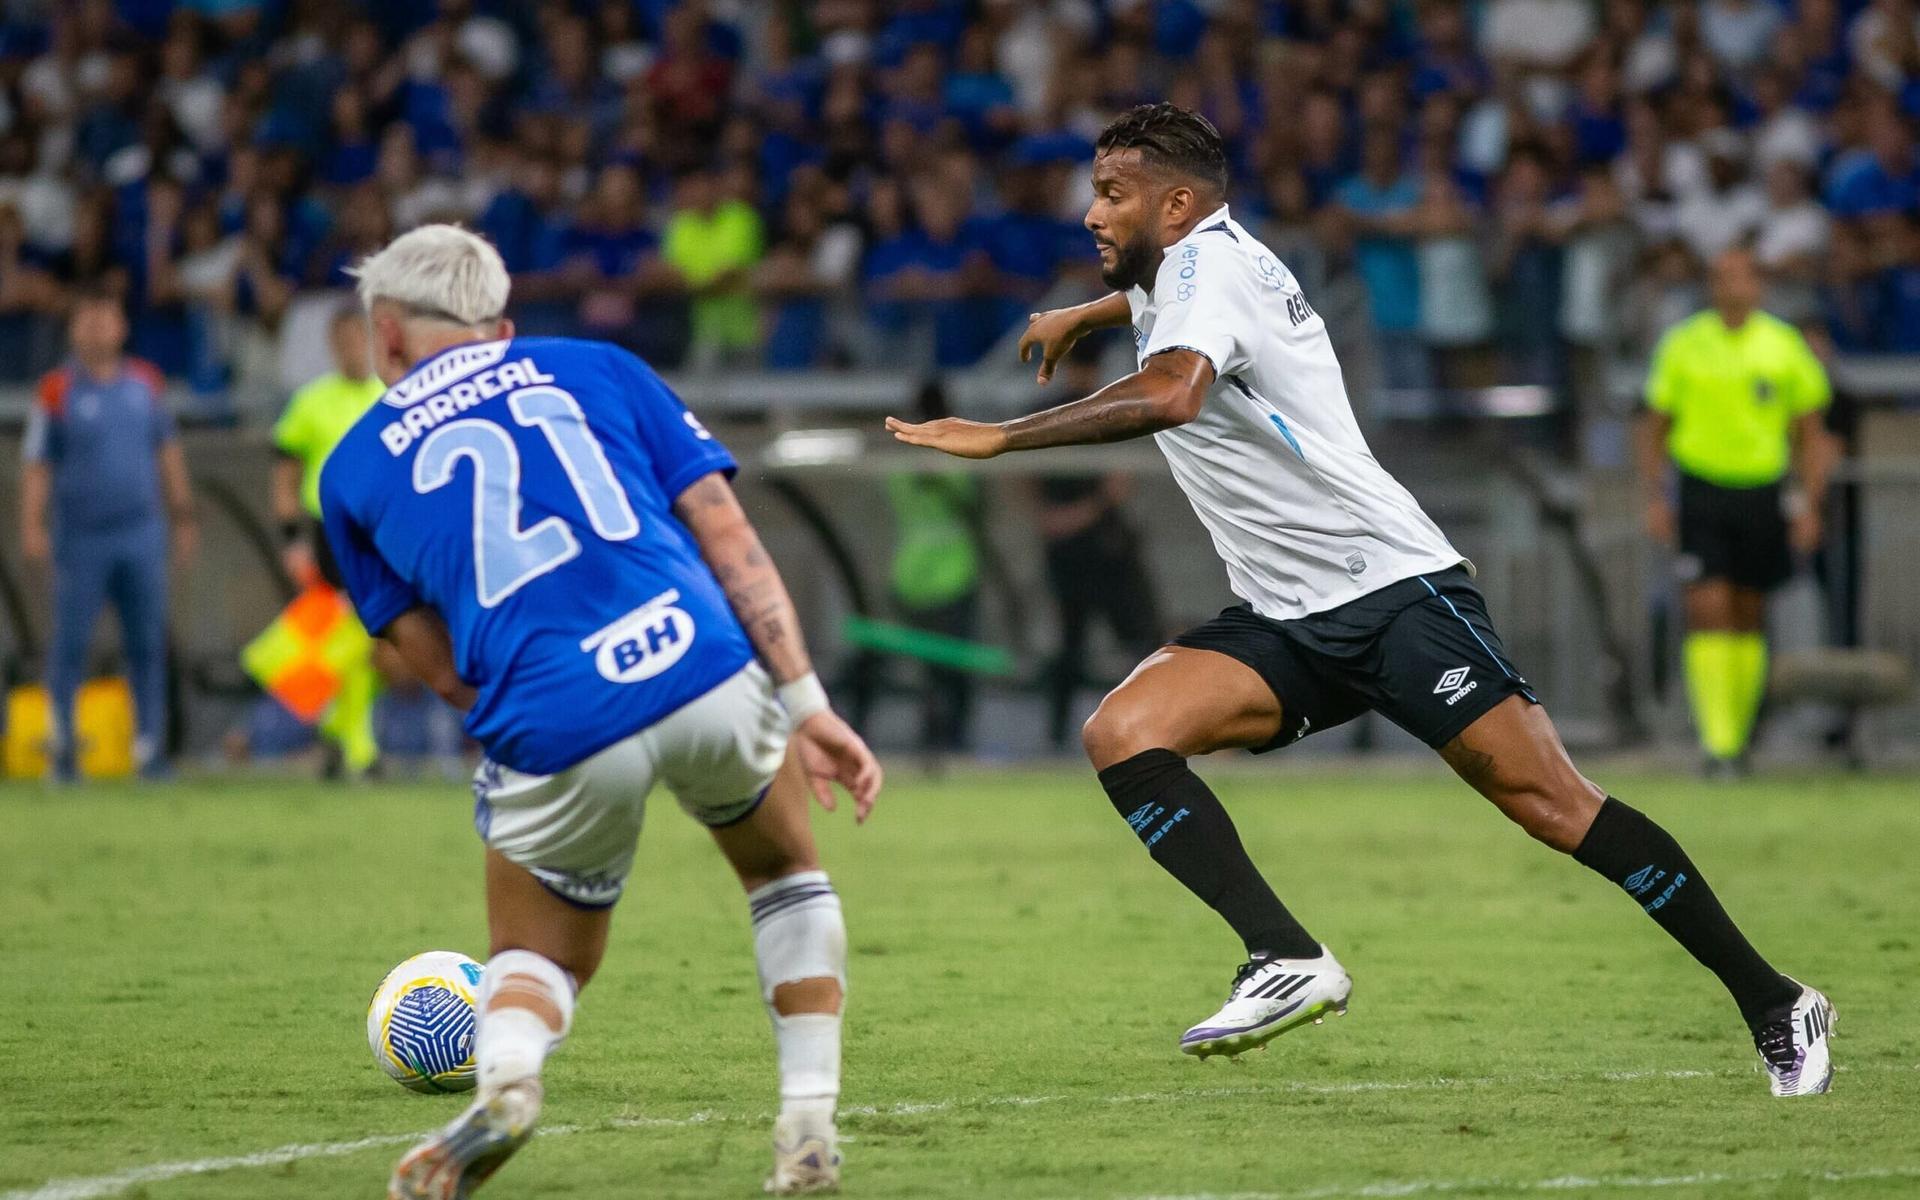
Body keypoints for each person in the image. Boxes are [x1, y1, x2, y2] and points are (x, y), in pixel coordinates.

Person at [887, 103, 1834, 1097]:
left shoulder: (1209, 272)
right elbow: (1164, 313)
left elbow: (1172, 394)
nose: (1091, 213)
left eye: (1112, 193)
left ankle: (1777, 1001)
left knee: (1556, 809)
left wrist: (1003, 435)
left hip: (1392, 592)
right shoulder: (1194, 266)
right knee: (1123, 732)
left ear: (1175, 205)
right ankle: (1283, 956)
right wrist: (1088, 313)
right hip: (1285, 616)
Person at [317, 226, 882, 1198]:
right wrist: (806, 702)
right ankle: (807, 1123)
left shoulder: (352, 467)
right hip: (698, 659)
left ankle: (506, 1083)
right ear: (500, 324)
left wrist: (512, 694)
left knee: (542, 955)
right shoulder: (601, 366)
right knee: (785, 873)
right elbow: (726, 531)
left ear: (386, 333)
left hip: (553, 710)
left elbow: (424, 655)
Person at [1638, 247, 1834, 775]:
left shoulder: (1784, 345)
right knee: (1707, 607)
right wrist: (1656, 497)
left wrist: (1809, 505)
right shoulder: (1684, 345)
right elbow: (1654, 427)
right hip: (1701, 491)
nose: (1732, 286)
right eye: (1721, 277)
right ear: (1711, 286)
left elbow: (1812, 434)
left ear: (1758, 286)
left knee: (1749, 611)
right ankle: (1717, 744)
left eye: (1742, 277)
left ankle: (1738, 738)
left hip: (1763, 492)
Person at [19, 290, 197, 780]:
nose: (98, 328)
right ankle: (63, 751)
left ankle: (151, 750)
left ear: (121, 326)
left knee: (146, 643)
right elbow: (37, 464)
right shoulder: (56, 391)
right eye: (87, 318)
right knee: (70, 645)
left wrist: (182, 514)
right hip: (81, 538)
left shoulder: (146, 384)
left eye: (106, 317)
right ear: (74, 328)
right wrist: (32, 524)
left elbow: (168, 452)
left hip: (140, 532)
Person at [269, 303, 389, 776]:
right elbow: (284, 474)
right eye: (341, 341)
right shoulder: (311, 401)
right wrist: (290, 539)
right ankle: (361, 745)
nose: (350, 349)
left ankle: (342, 732)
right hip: (330, 533)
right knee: (348, 633)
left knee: (370, 640)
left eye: (357, 339)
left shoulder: (391, 396)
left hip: (382, 532)